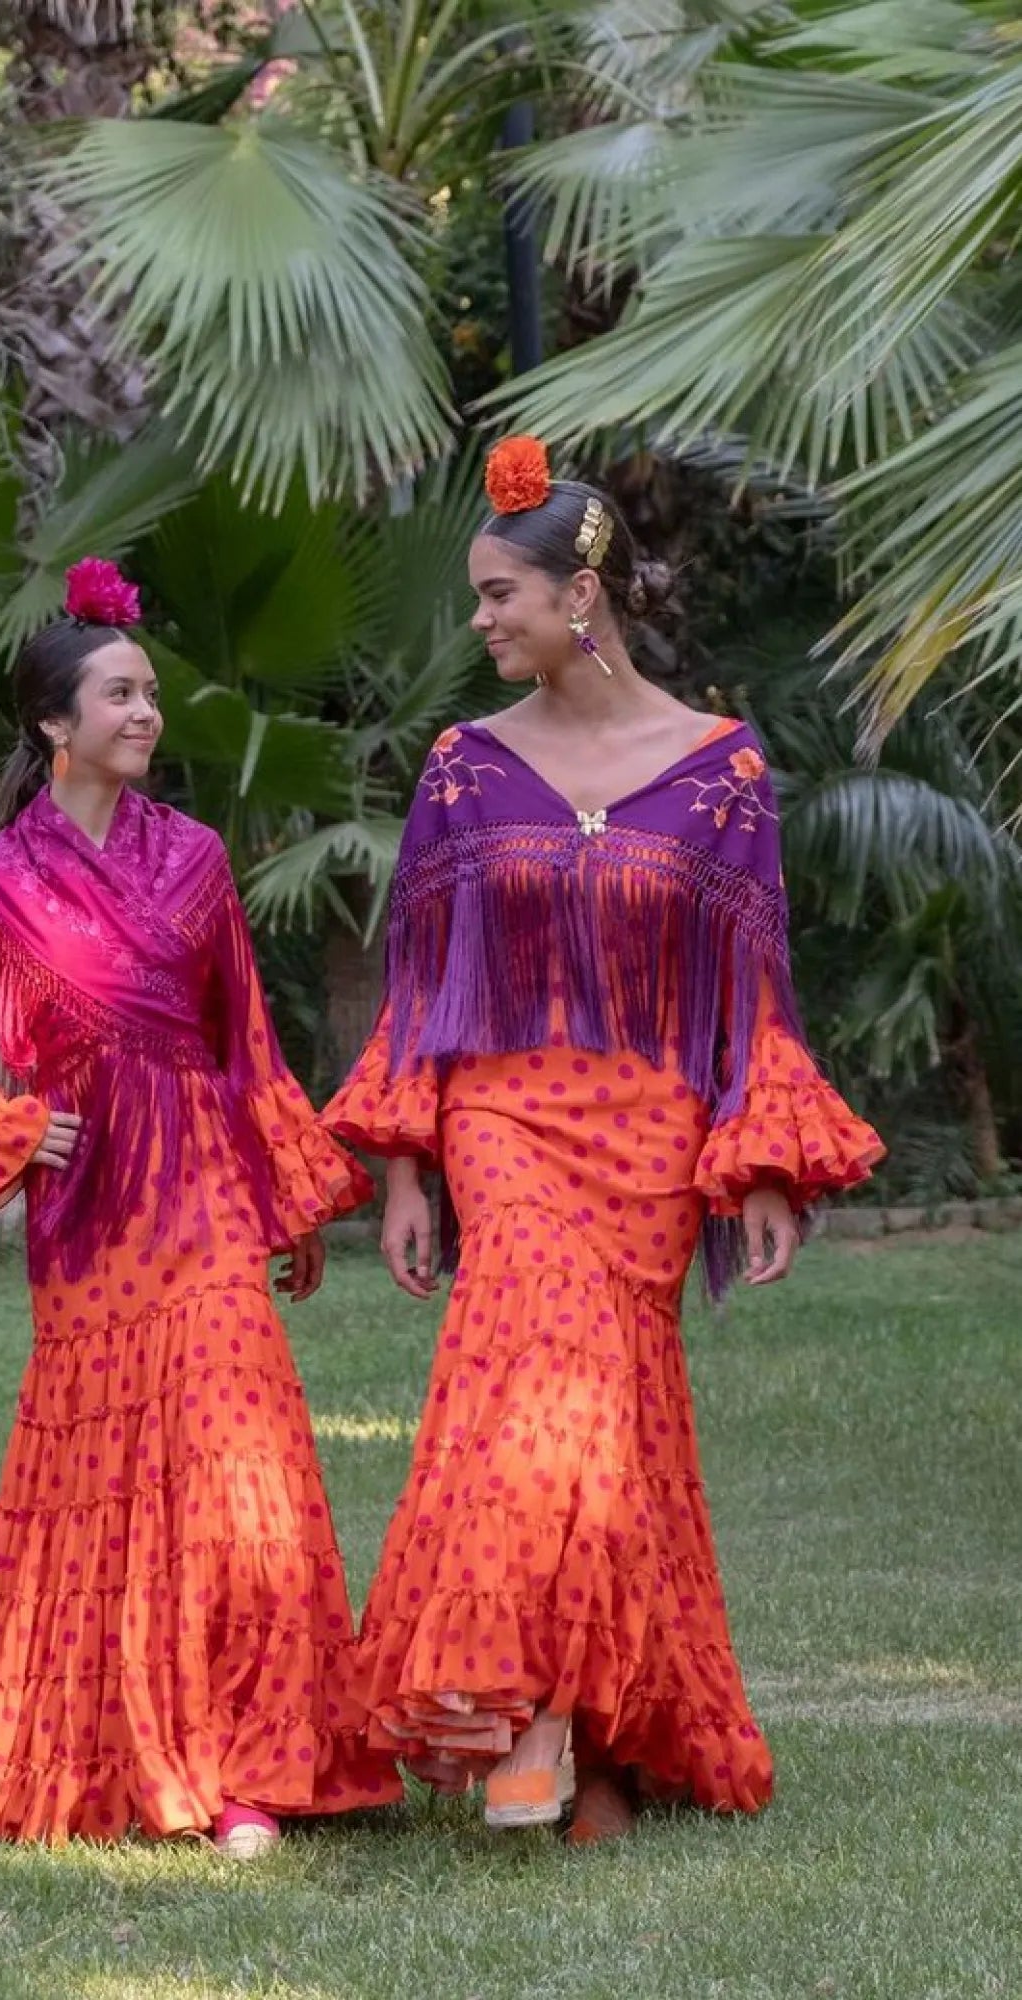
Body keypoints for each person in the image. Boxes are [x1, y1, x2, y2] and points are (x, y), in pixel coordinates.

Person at [0, 556, 401, 1856]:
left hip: (208, 1206)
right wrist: (7, 1127)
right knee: (114, 1475)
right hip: (93, 1223)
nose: (146, 714)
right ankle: (121, 1754)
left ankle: (247, 1771)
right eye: (120, 695)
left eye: (150, 695)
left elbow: (246, 1047)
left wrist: (283, 1198)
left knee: (241, 1476)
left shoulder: (198, 861)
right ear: (54, 725)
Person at [323, 438, 883, 1843]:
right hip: (504, 1125)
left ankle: (605, 1735)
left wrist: (755, 1164)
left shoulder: (722, 770)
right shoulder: (462, 768)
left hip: (647, 1134)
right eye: (476, 598)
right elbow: (420, 983)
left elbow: (754, 990)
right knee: (530, 1400)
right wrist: (406, 1166)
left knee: (610, 1420)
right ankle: (548, 1731)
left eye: (499, 594)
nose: (480, 621)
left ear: (581, 594)